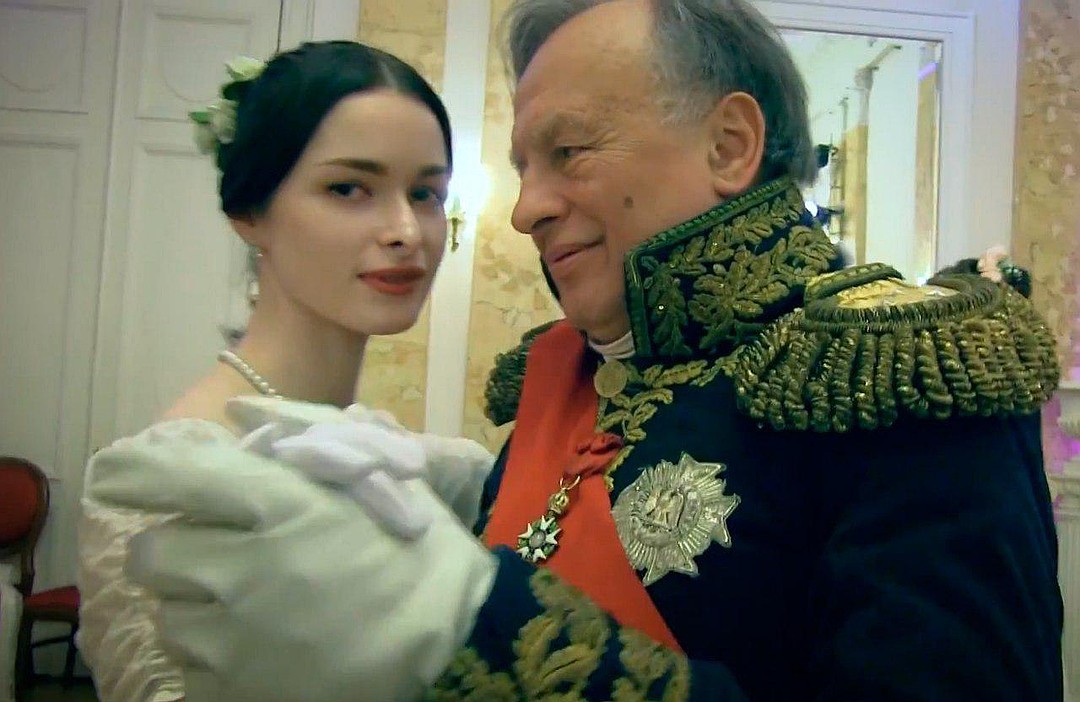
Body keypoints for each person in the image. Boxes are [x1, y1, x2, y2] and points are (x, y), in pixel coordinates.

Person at [85, 1, 1064, 700]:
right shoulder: (561, 377)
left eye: (569, 151)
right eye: (523, 165)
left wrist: (473, 629)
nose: (525, 209)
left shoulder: (902, 369)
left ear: (729, 146)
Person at [76, 40, 494, 702]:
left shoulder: (417, 457)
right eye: (348, 189)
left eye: (425, 193)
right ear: (250, 212)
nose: (407, 231)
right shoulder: (173, 478)